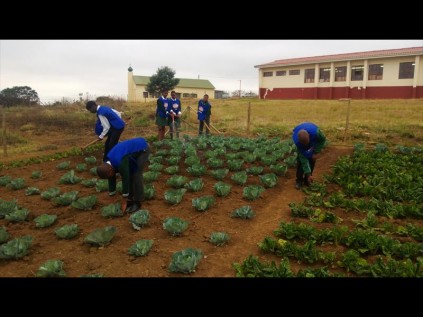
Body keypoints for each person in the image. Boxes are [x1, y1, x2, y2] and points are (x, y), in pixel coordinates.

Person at [96, 137, 150, 213]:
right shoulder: (107, 163)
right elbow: (111, 177)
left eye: (110, 175)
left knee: (136, 174)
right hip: (128, 153)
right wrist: (112, 195)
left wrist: (124, 200)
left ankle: (138, 201)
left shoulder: (120, 163)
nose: (111, 177)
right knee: (131, 174)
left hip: (142, 148)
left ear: (110, 169)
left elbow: (125, 179)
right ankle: (130, 198)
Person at [292, 122, 327, 190]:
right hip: (303, 145)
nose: (306, 146)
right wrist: (308, 173)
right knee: (301, 163)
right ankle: (299, 181)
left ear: (309, 135)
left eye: (307, 143)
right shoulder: (297, 141)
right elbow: (304, 160)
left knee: (312, 159)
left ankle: (307, 180)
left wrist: (316, 152)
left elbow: (323, 140)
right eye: (304, 144)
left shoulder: (317, 133)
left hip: (313, 142)